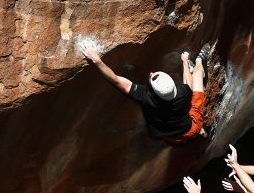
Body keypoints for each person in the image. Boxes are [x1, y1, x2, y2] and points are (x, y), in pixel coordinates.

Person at [80, 43, 209, 144]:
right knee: (197, 75)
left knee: (181, 134)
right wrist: (185, 61)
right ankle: (198, 61)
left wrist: (97, 61)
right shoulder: (183, 92)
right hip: (191, 128)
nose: (152, 73)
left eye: (153, 77)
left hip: (170, 136)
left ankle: (200, 132)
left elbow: (116, 80)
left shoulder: (145, 96)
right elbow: (188, 82)